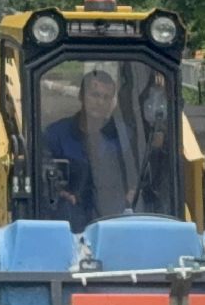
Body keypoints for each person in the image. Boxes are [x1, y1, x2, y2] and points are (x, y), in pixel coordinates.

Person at [44, 68, 138, 231]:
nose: (100, 102)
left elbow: (136, 176)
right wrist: (59, 192)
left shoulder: (124, 136)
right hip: (67, 218)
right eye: (94, 95)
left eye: (106, 97)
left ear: (112, 102)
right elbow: (42, 174)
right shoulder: (55, 134)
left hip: (113, 218)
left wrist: (133, 191)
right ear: (81, 96)